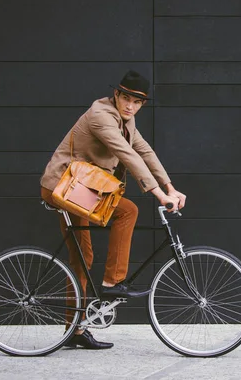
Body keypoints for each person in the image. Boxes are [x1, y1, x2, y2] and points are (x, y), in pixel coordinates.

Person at [40, 70, 187, 350]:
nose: (130, 105)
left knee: (82, 257)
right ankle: (113, 282)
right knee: (127, 211)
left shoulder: (126, 121)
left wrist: (170, 187)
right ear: (116, 95)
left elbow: (145, 152)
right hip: (63, 185)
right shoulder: (101, 115)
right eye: (126, 98)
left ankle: (75, 330)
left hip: (80, 186)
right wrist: (157, 194)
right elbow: (126, 154)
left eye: (137, 102)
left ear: (142, 105)